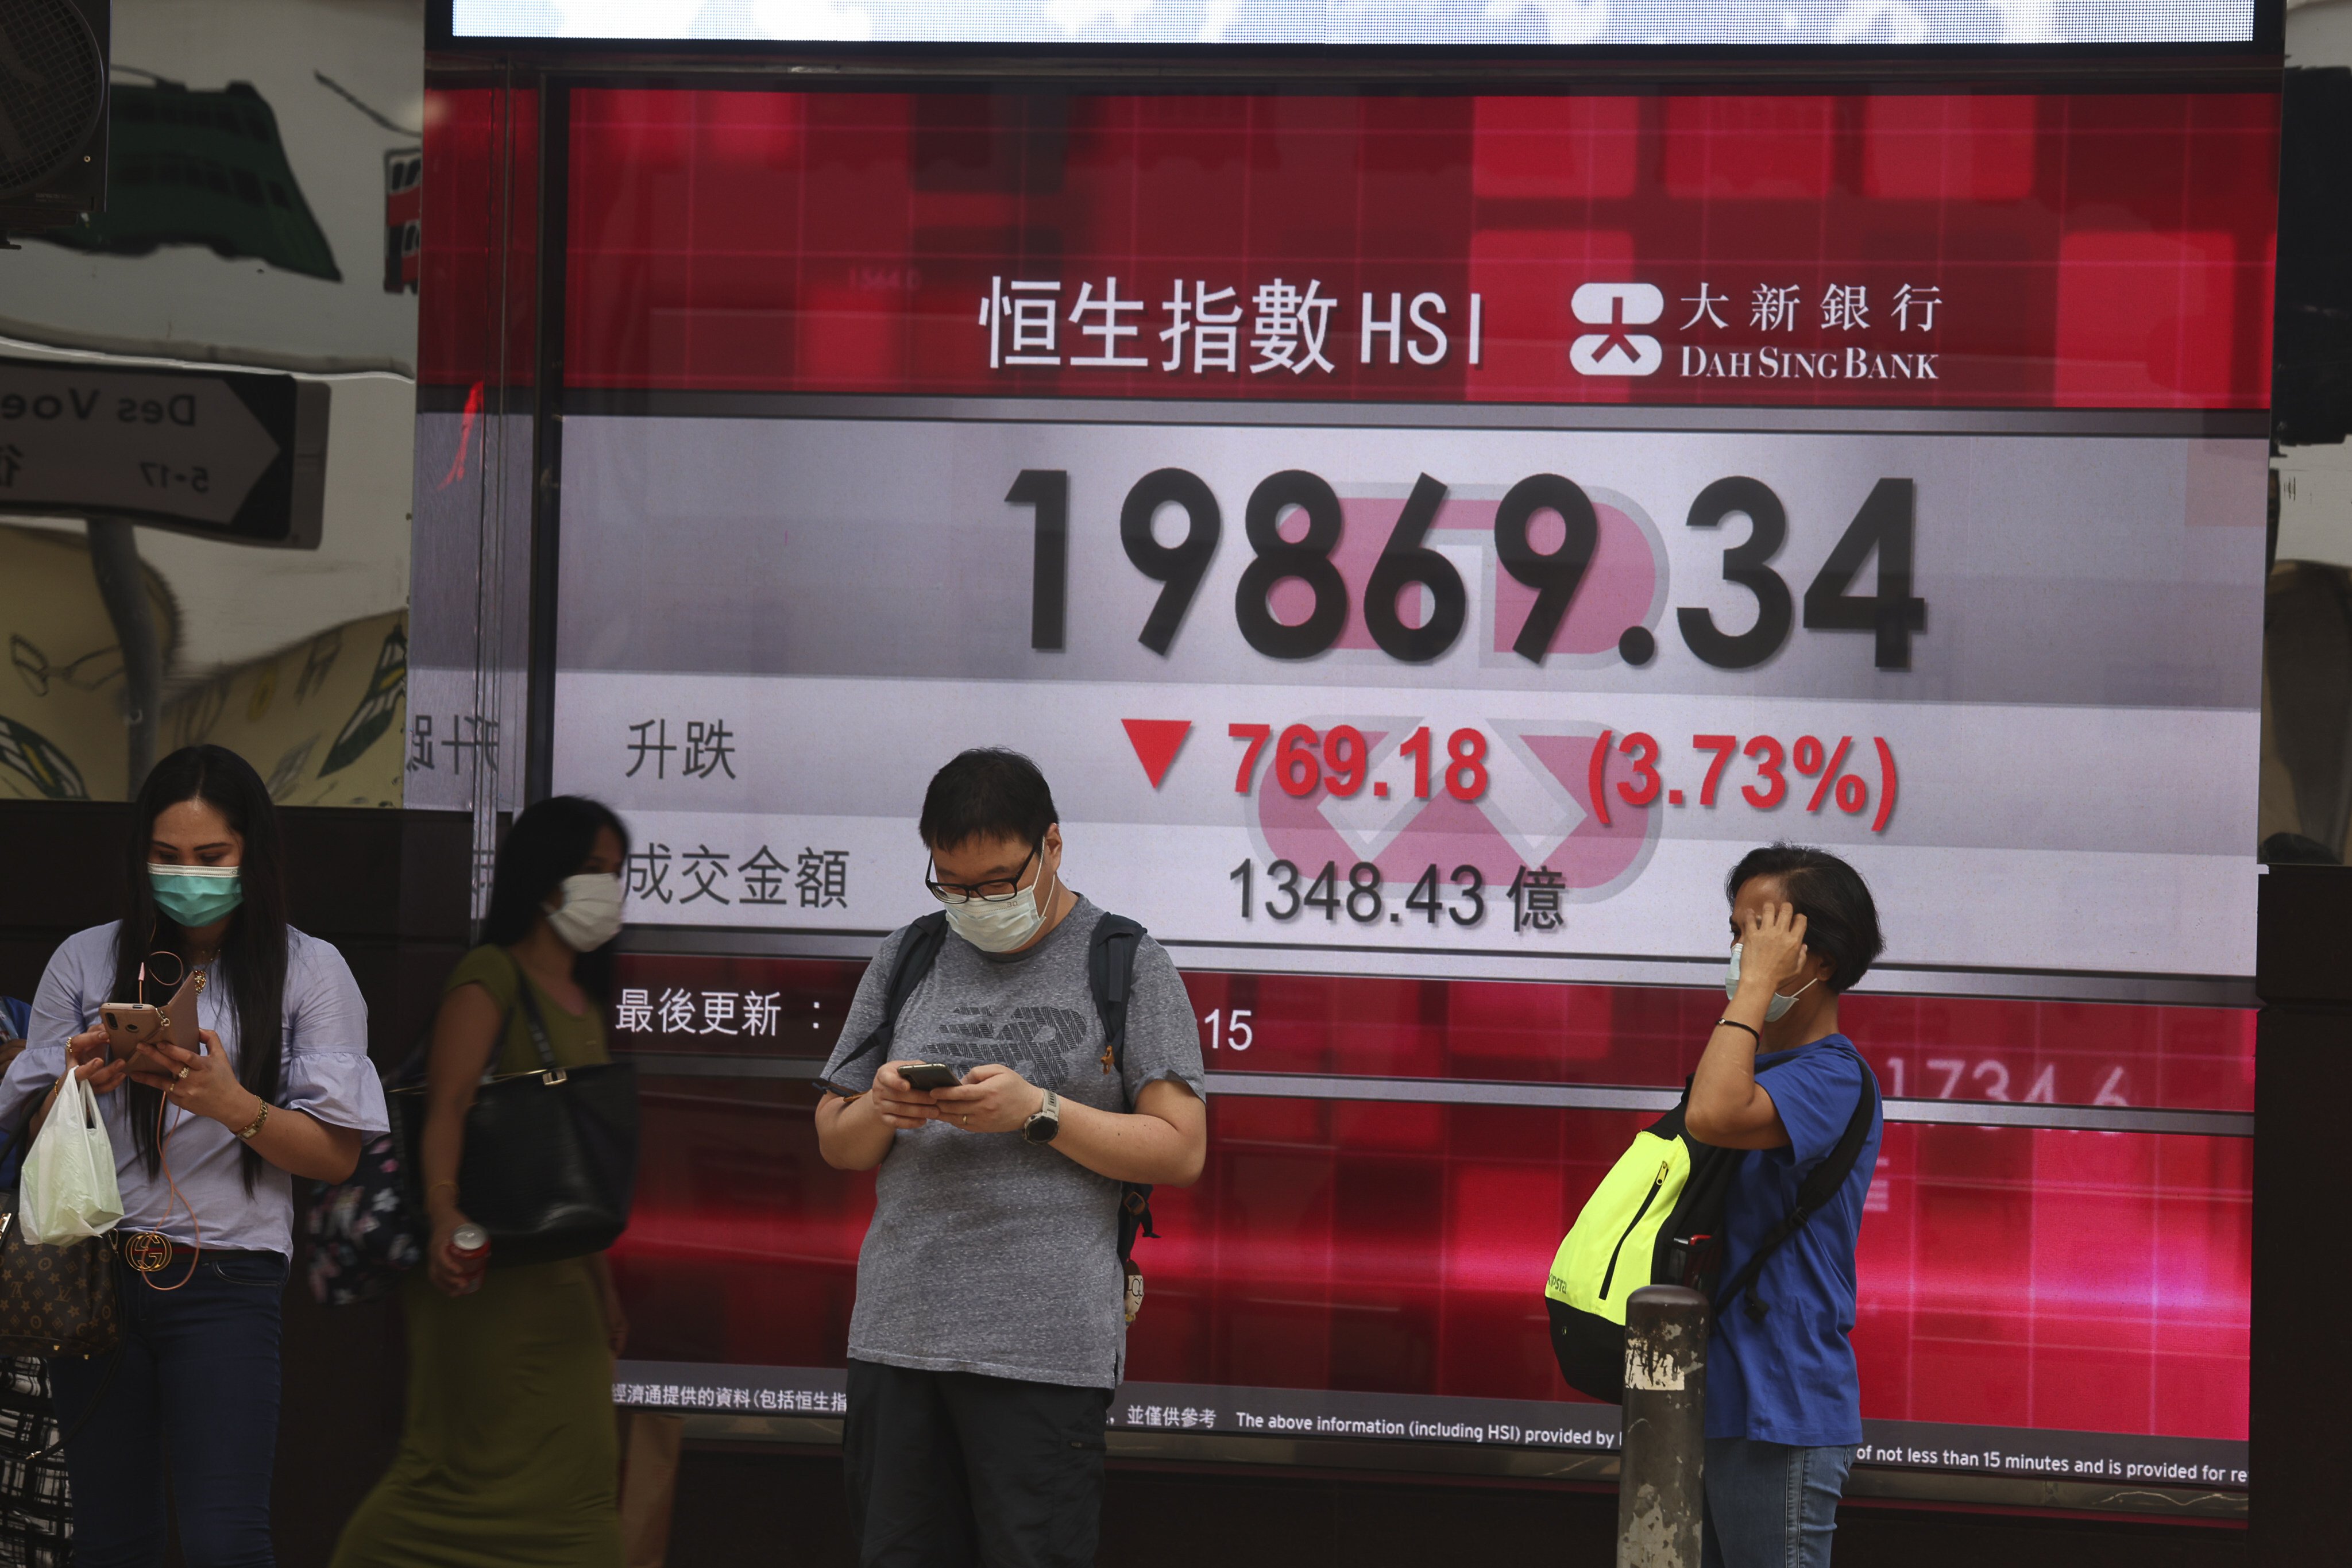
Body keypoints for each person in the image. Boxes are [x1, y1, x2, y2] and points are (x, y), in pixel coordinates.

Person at [815, 748, 1207, 1568]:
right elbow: (834, 1138)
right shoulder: (908, 954)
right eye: (952, 884)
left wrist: (1039, 1111)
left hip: (1043, 1353)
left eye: (997, 881)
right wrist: (880, 1105)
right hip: (898, 1337)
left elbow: (1181, 1147)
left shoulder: (1127, 961)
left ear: (1051, 847)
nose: (975, 902)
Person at [2, 744, 386, 1567]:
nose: (189, 877)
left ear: (252, 854)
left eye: (212, 858)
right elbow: (30, 1138)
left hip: (228, 1281)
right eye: (167, 857)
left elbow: (336, 1154)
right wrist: (77, 1087)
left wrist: (232, 1103)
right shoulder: (86, 958)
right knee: (112, 1539)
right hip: (92, 1273)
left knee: (225, 1539)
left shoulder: (310, 971)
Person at [332, 796, 634, 1568]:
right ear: (543, 875)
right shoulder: (489, 975)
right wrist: (441, 1215)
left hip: (563, 1281)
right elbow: (448, 1104)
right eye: (592, 869)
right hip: (478, 1269)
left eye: (615, 871)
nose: (608, 887)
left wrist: (604, 1288)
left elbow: (581, 1164)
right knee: (454, 1467)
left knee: (580, 1474)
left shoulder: (588, 997)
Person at [1683, 844, 1887, 1568]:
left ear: (1819, 959)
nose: (1743, 953)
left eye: (1762, 936)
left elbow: (1715, 1114)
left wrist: (1753, 988)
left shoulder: (1831, 1074)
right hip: (1711, 1400)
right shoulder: (1761, 1065)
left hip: (1781, 1404)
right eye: (1737, 934)